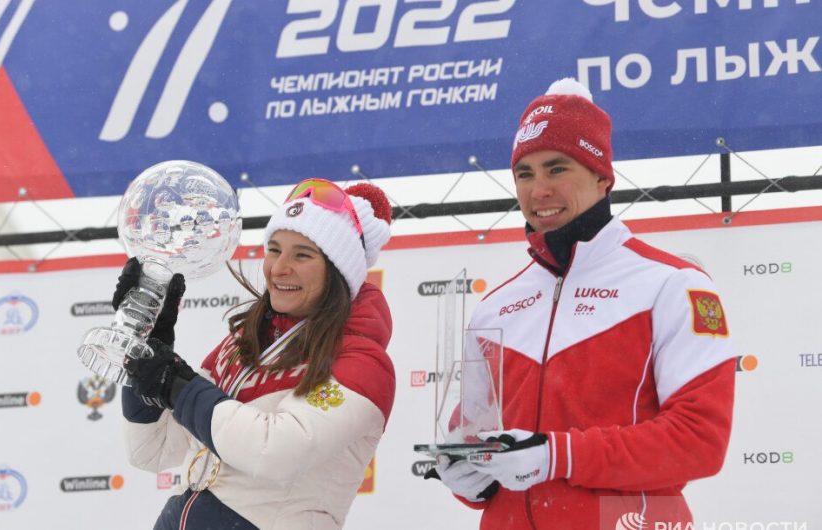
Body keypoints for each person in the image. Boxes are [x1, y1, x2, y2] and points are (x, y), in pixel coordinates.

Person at [427, 78, 736, 529]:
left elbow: (700, 441)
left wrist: (557, 456)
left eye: (557, 169)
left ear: (601, 175)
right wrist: (469, 479)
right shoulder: (495, 306)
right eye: (524, 174)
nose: (539, 190)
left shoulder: (672, 284)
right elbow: (477, 437)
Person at [116, 178, 395, 530]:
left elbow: (274, 450)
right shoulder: (243, 344)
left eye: (302, 255)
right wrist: (147, 347)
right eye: (274, 249)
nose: (279, 268)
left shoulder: (362, 363)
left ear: (339, 270)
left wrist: (175, 382)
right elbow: (152, 449)